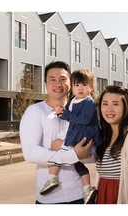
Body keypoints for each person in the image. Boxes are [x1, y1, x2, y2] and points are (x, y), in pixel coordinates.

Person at [19, 61, 94, 204]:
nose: (58, 84)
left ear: (71, 84)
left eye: (63, 79)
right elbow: (30, 153)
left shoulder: (83, 112)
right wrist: (73, 154)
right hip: (49, 199)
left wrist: (78, 153)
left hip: (80, 196)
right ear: (45, 84)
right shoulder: (35, 111)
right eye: (52, 79)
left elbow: (94, 153)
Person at [40, 69, 101, 204]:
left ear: (91, 87)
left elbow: (84, 119)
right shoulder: (73, 100)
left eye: (84, 85)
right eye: (77, 85)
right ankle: (86, 188)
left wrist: (66, 115)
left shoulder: (89, 102)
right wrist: (59, 112)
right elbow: (66, 114)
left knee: (62, 151)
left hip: (83, 134)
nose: (80, 88)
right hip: (73, 130)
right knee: (71, 159)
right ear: (72, 87)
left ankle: (54, 178)